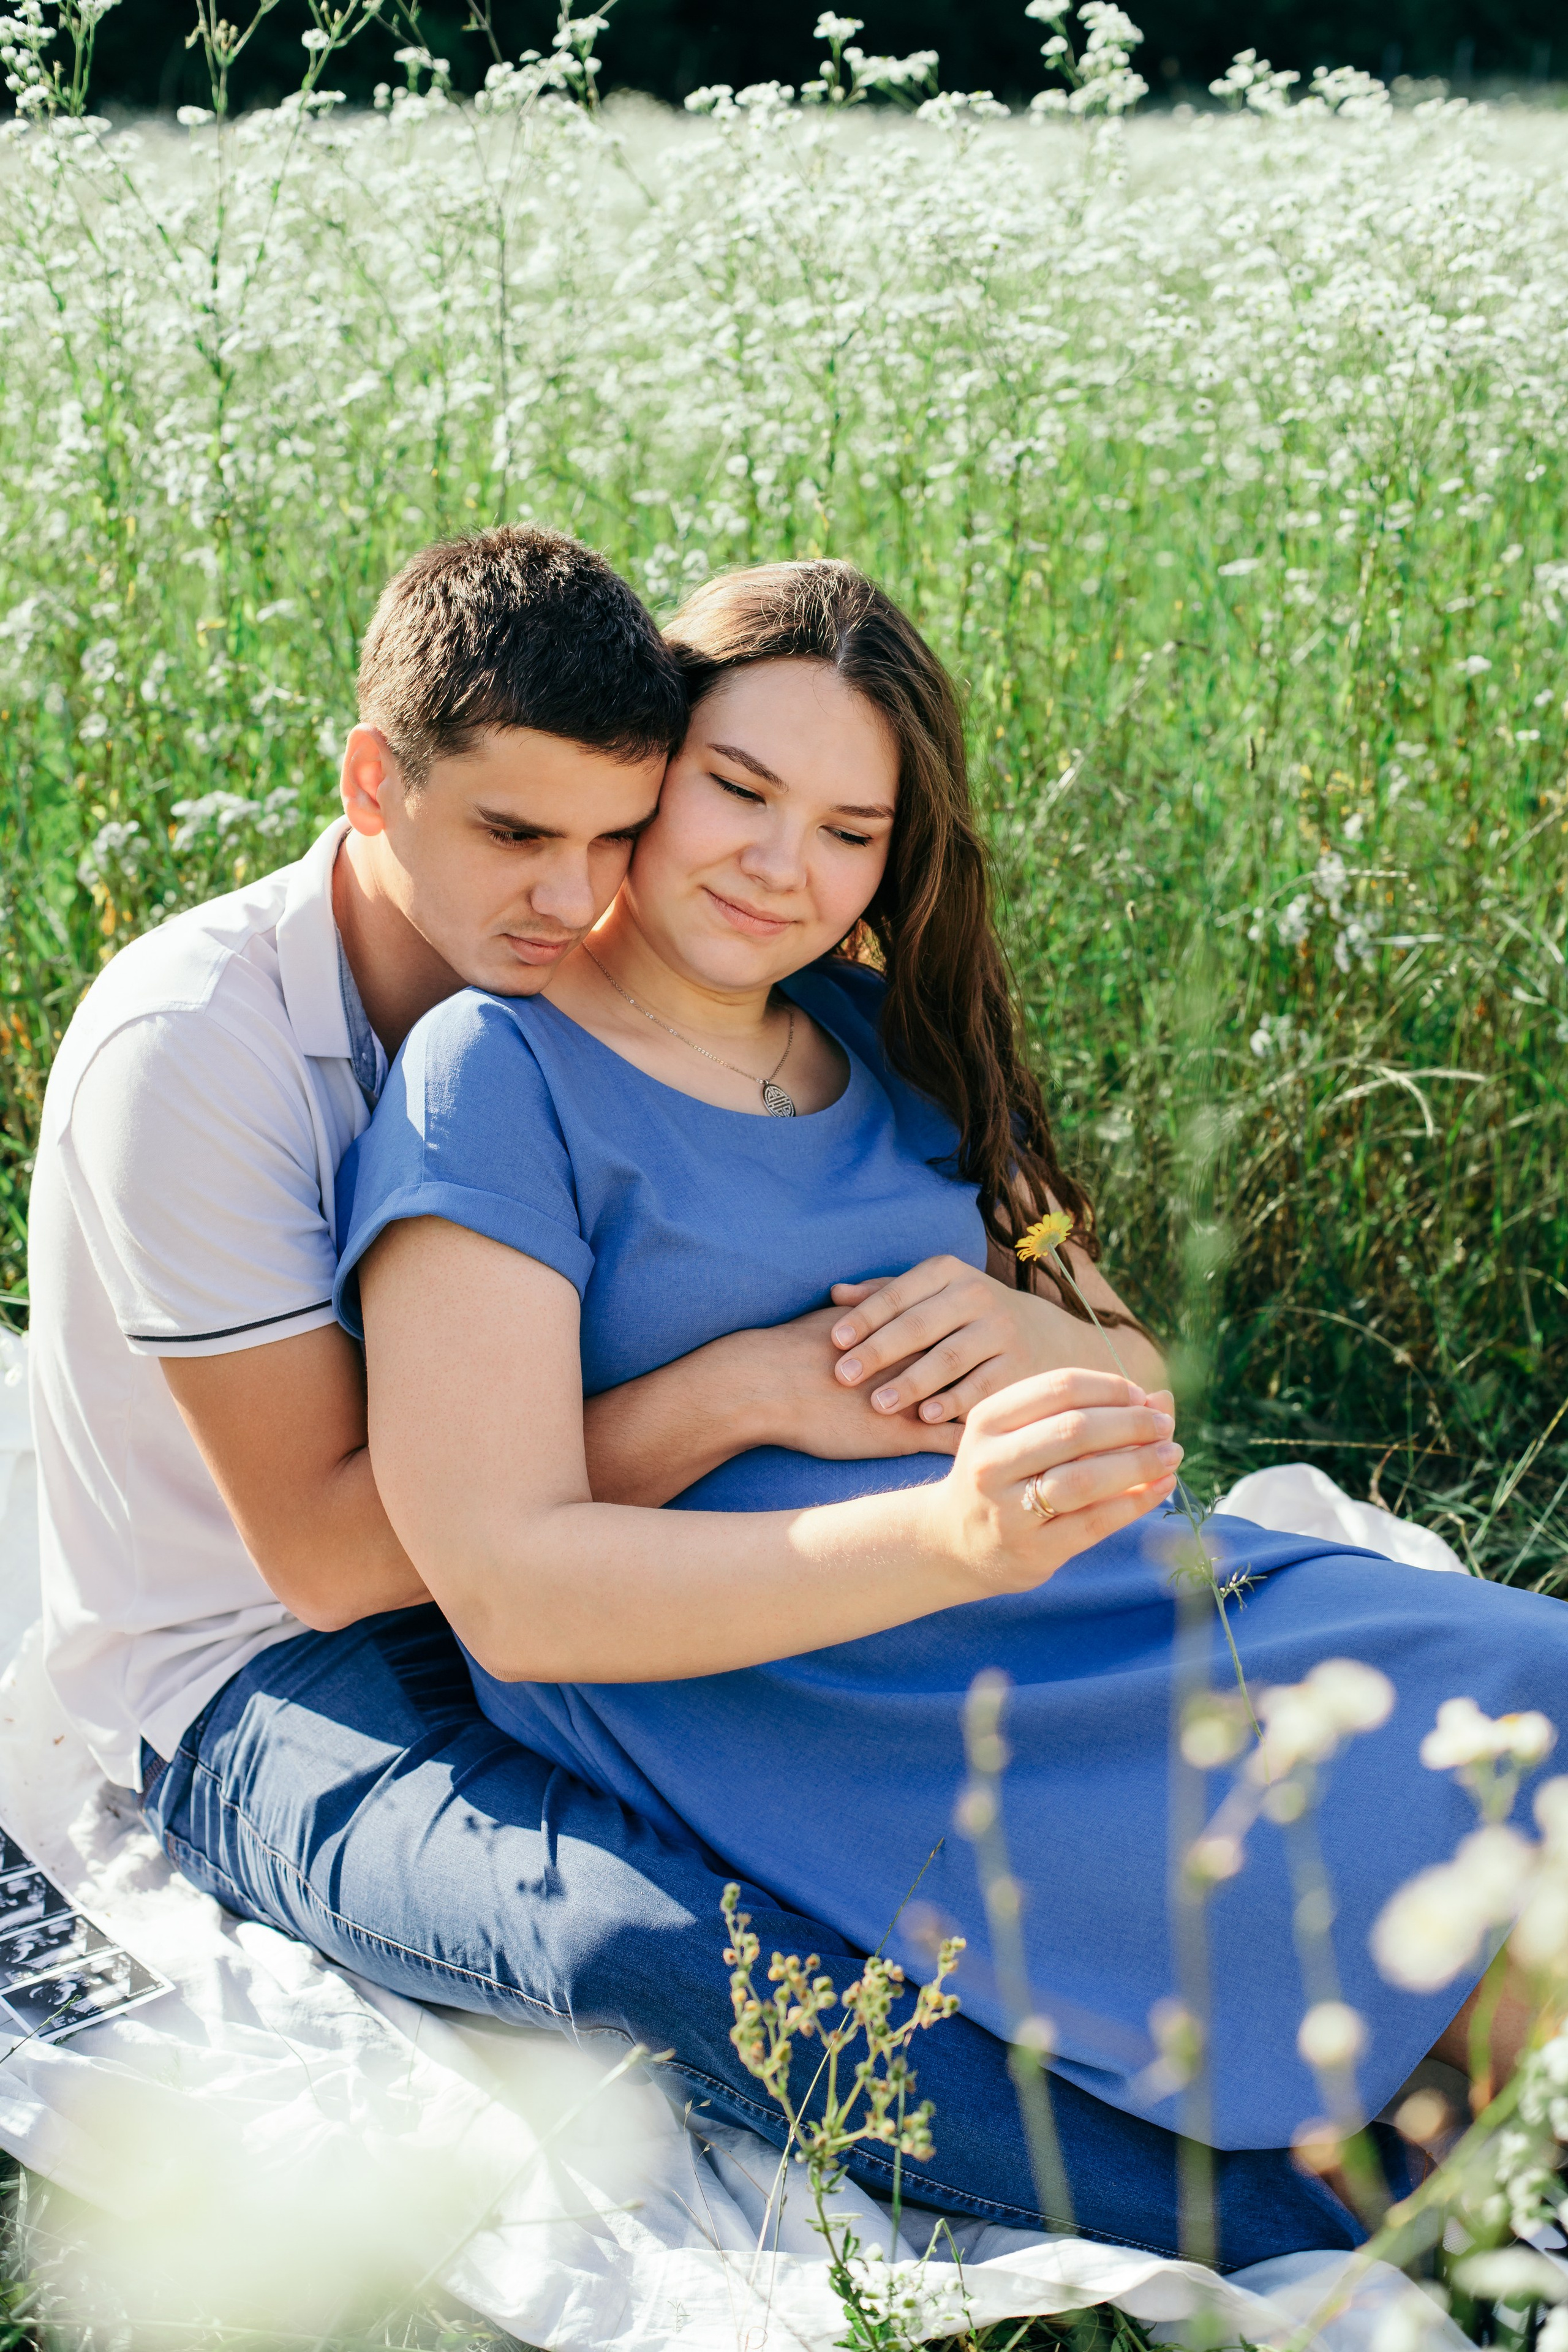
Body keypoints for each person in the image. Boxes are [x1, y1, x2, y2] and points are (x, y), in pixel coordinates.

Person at [32, 525, 1357, 2277]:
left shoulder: (670, 1011)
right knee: (629, 1937)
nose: (575, 894)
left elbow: (1063, 1310)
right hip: (272, 1668)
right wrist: (735, 1394)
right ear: (373, 782)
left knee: (969, 1777)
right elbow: (338, 1558)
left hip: (594, 1575)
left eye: (613, 831)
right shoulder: (195, 1048)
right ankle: (1288, 2209)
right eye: (514, 834)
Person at [336, 558, 1567, 2236]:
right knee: (1312, 1840)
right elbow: (505, 1588)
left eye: (851, 831)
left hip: (1084, 1591)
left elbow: (1135, 1375)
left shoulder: (890, 1038)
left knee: (1531, 1684)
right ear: (650, 769)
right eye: (742, 791)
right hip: (810, 1683)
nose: (785, 867)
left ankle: (1489, 2130)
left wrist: (1031, 1337)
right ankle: (1444, 2152)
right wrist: (862, 1470)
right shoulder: (501, 1070)